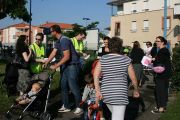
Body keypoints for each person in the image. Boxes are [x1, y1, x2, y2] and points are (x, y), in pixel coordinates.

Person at [93, 37, 140, 120]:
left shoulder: (103, 59)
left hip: (106, 93)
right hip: (120, 93)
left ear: (109, 46)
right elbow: (133, 77)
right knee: (118, 117)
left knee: (115, 115)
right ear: (120, 47)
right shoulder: (126, 59)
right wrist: (136, 90)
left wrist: (97, 90)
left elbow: (95, 75)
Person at [44, 25, 83, 114]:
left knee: (73, 87)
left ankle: (80, 107)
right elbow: (54, 52)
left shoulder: (64, 40)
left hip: (72, 65)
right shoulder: (59, 40)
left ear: (55, 32)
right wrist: (47, 62)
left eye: (51, 32)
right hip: (65, 66)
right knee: (63, 86)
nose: (50, 33)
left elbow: (67, 57)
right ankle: (66, 105)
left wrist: (55, 66)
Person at [151, 36, 172, 114]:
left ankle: (161, 108)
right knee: (163, 90)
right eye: (156, 41)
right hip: (165, 74)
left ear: (163, 42)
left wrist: (153, 60)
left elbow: (160, 62)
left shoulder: (162, 51)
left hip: (161, 74)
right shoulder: (165, 50)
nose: (156, 43)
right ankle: (162, 106)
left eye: (158, 41)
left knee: (160, 91)